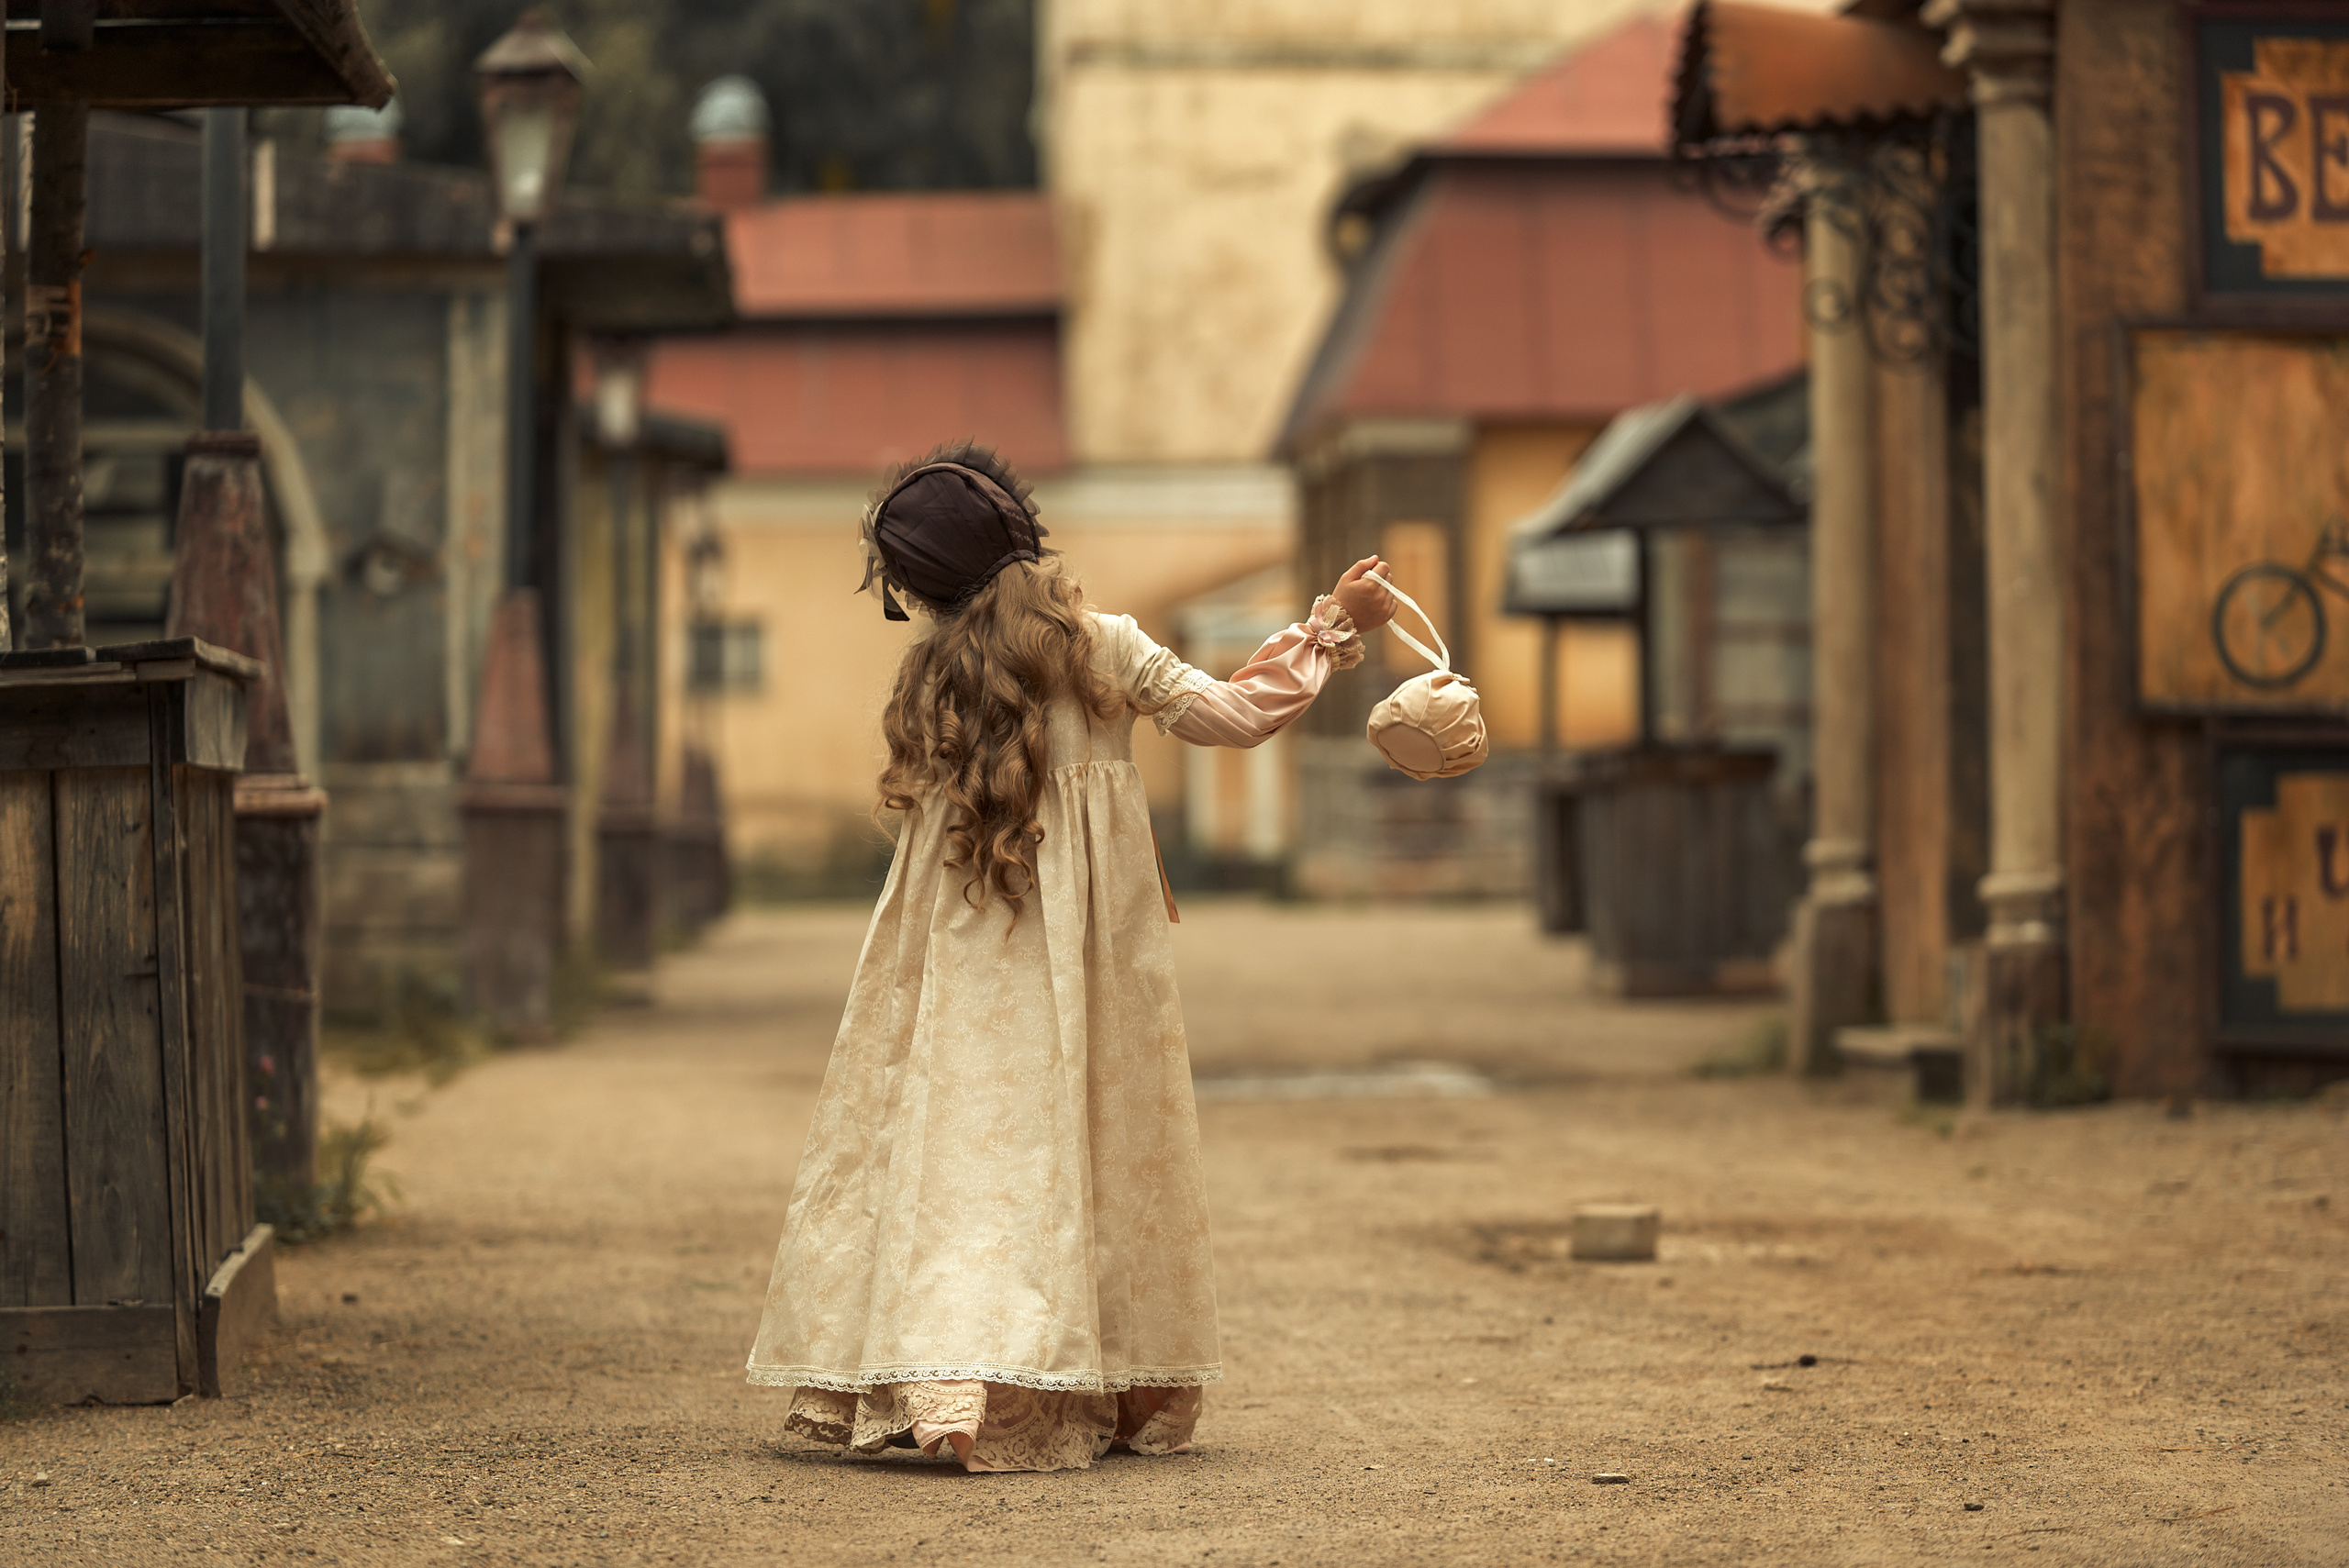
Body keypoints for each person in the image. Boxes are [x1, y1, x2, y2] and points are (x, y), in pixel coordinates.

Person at [746, 442, 1393, 1473]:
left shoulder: (933, 672)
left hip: (955, 948)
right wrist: (1327, 632)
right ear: (1028, 537)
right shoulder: (1102, 646)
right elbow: (1234, 715)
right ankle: (1075, 1372)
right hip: (1087, 954)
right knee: (1086, 1142)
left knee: (951, 1150)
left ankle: (945, 1384)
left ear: (920, 586)